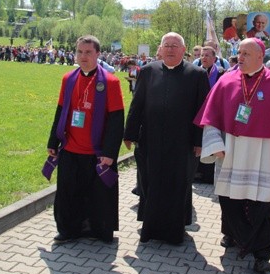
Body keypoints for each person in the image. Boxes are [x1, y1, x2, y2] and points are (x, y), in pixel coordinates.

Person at [194, 38, 270, 273]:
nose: (240, 57)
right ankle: (234, 235)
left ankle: (262, 254)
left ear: (260, 57)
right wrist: (214, 144)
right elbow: (211, 118)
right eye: (239, 53)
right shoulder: (226, 80)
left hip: (263, 156)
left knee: (264, 203)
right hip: (231, 152)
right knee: (230, 200)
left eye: (246, 54)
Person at [123, 32, 210, 245]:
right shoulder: (147, 71)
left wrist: (200, 141)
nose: (170, 49)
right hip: (150, 140)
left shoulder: (197, 74)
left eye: (175, 45)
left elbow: (203, 112)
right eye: (166, 45)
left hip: (183, 142)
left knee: (177, 184)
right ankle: (150, 228)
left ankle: (174, 230)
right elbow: (137, 105)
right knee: (150, 181)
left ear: (184, 49)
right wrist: (129, 133)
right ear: (160, 49)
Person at [45, 35, 125, 244]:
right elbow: (61, 110)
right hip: (71, 148)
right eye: (80, 52)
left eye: (88, 52)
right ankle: (69, 230)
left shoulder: (110, 82)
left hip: (97, 151)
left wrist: (109, 153)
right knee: (68, 194)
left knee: (99, 196)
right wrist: (53, 142)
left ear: (98, 54)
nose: (83, 56)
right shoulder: (68, 79)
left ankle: (99, 230)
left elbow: (117, 119)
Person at [193, 46, 225, 184]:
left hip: (213, 113)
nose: (204, 58)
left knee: (210, 141)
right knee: (198, 141)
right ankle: (197, 173)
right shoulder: (195, 73)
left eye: (207, 55)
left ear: (214, 58)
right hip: (197, 112)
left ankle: (207, 175)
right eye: (202, 55)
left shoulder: (221, 73)